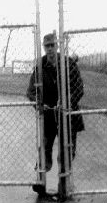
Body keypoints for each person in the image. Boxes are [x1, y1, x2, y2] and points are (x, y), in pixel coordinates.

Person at [27, 32, 84, 172]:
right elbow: (30, 91)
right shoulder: (40, 65)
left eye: (52, 45)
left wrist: (66, 102)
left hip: (67, 114)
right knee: (44, 148)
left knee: (68, 148)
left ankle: (64, 181)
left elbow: (79, 88)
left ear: (57, 45)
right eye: (47, 46)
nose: (50, 49)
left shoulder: (68, 63)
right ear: (44, 47)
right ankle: (40, 178)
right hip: (49, 114)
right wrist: (40, 104)